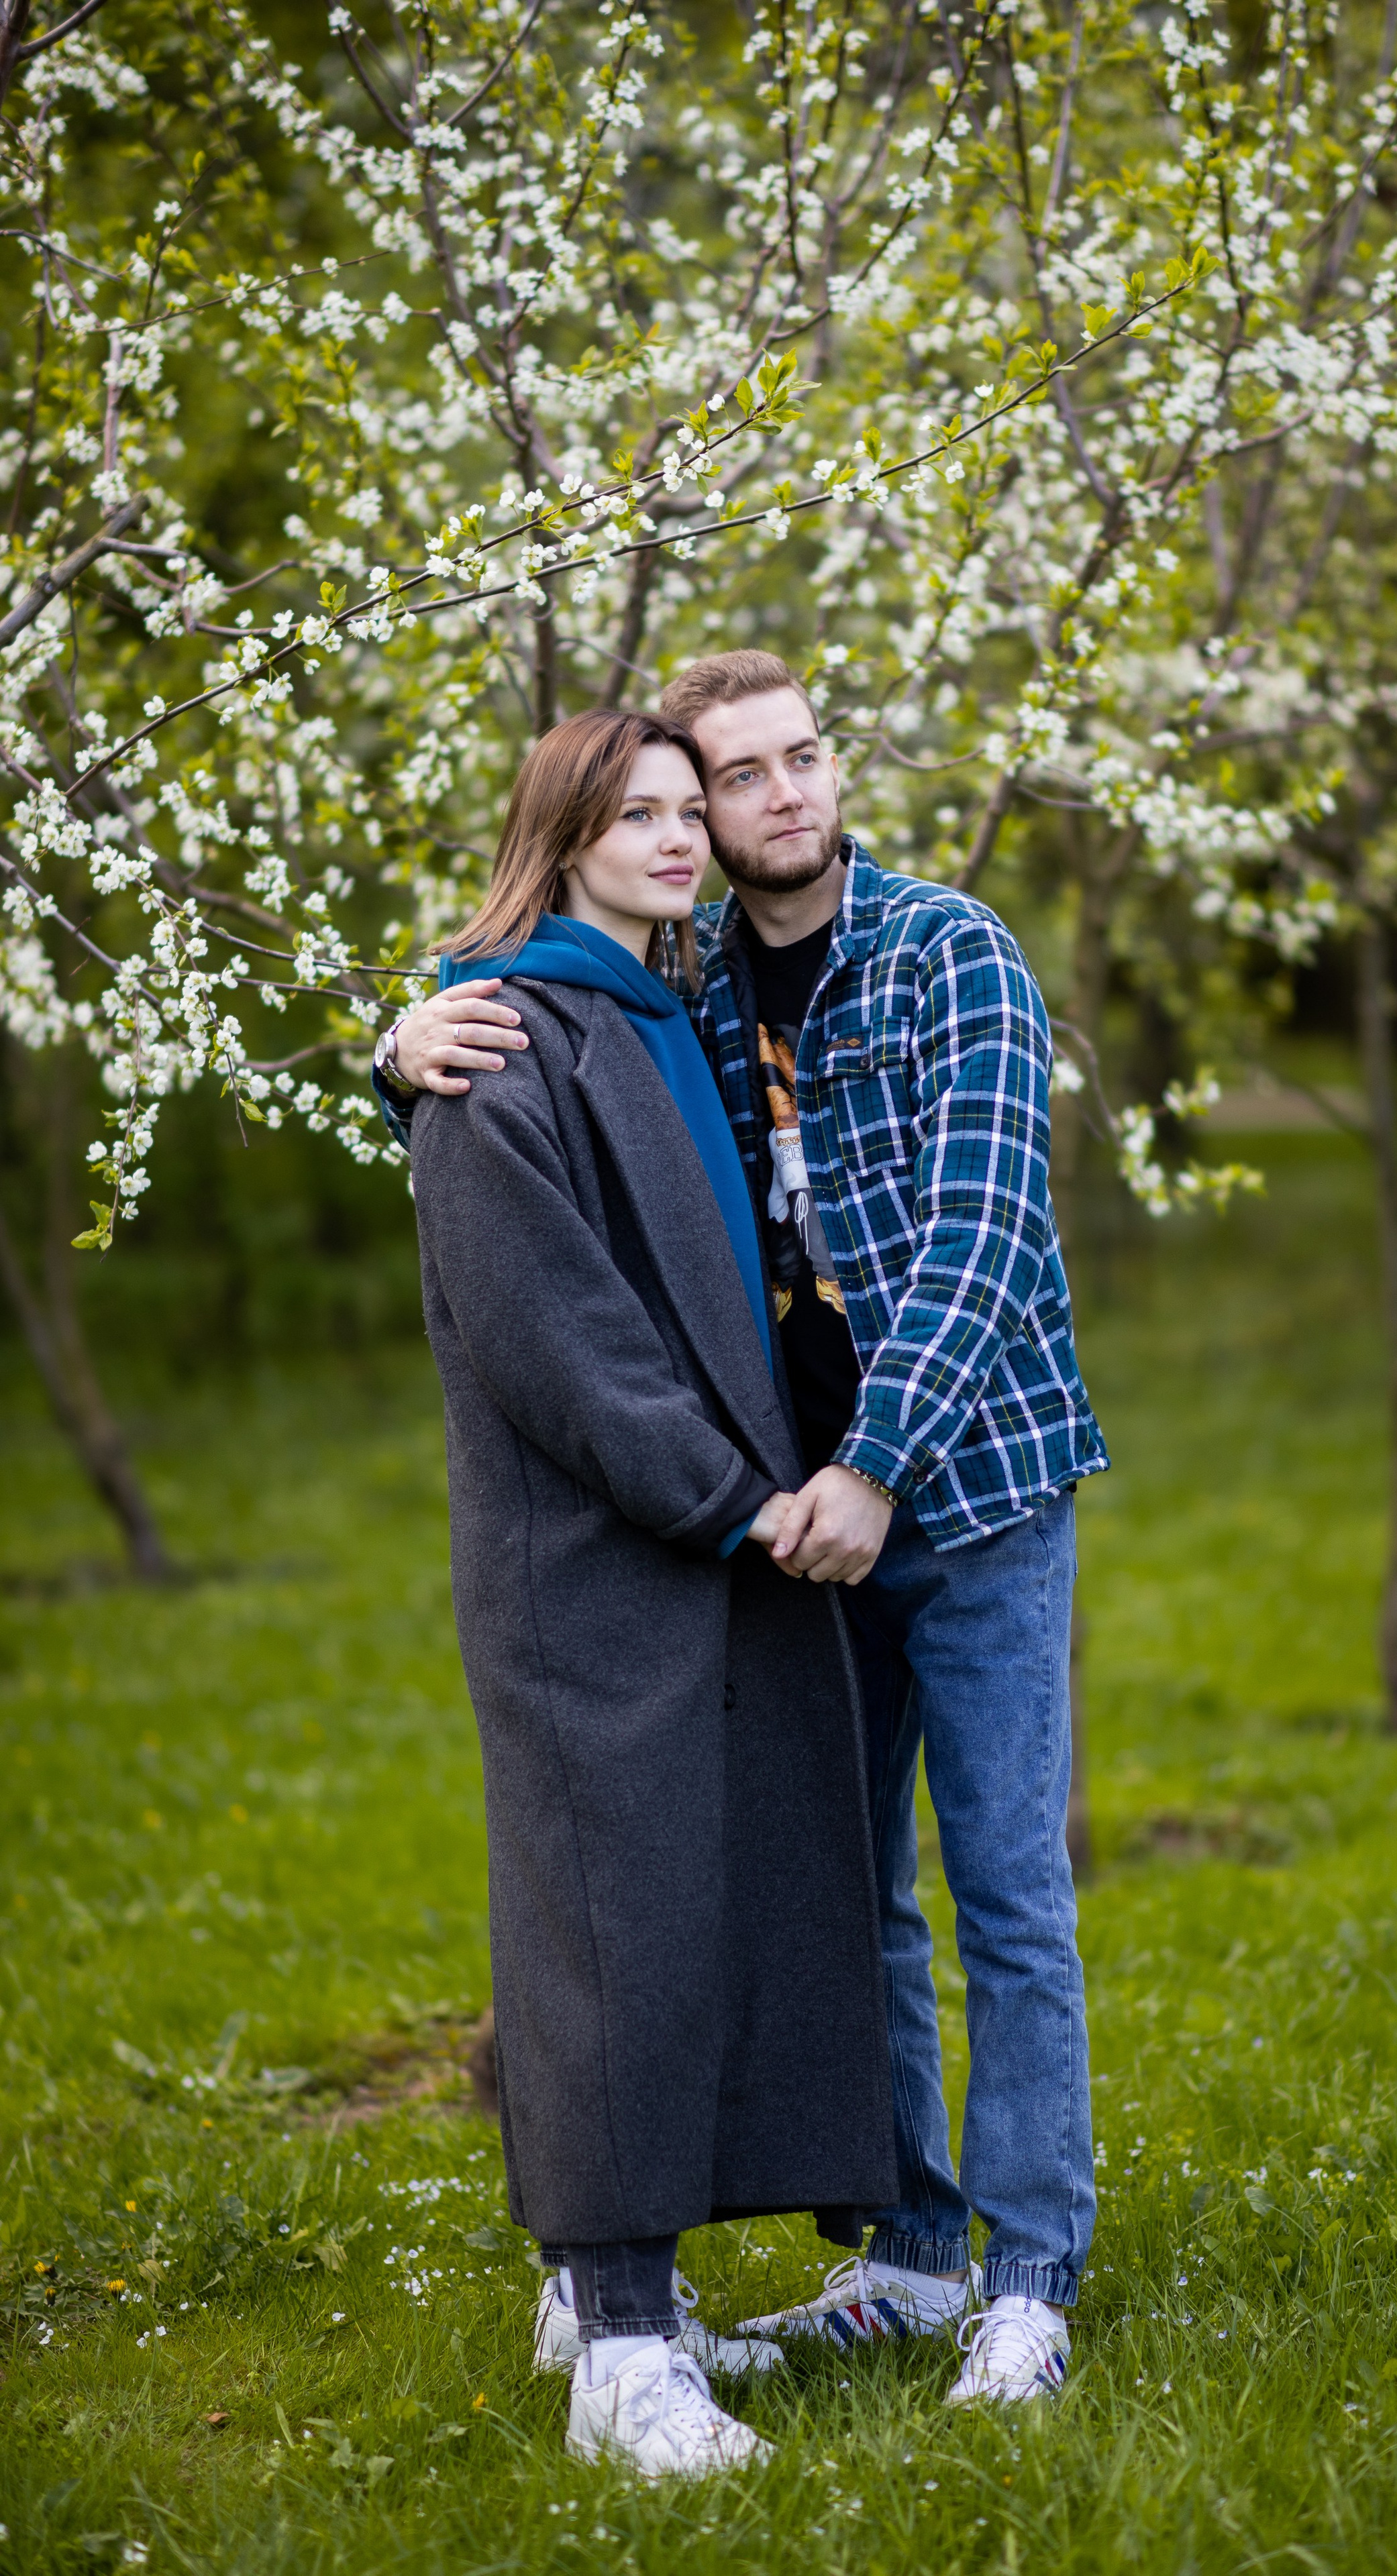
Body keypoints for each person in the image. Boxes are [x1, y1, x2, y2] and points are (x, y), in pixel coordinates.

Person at [381, 652, 1107, 2408]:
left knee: (1007, 1885)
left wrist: (875, 1466)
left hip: (962, 1490)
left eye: (803, 759)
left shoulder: (949, 954)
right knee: (854, 1894)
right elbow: (535, 1068)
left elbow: (985, 1241)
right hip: (800, 1528)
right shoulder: (692, 997)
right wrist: (397, 1052)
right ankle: (913, 2253)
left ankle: (1030, 2276)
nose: (776, 796)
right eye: (733, 778)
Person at [403, 706, 896, 2478]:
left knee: (688, 1923)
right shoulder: (500, 1043)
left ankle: (622, 2297)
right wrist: (734, 1506)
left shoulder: (655, 1007)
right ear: (566, 829)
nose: (685, 838)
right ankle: (619, 2355)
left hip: (703, 1551)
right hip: (596, 1562)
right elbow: (561, 1346)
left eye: (697, 809)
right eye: (644, 813)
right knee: (608, 1932)